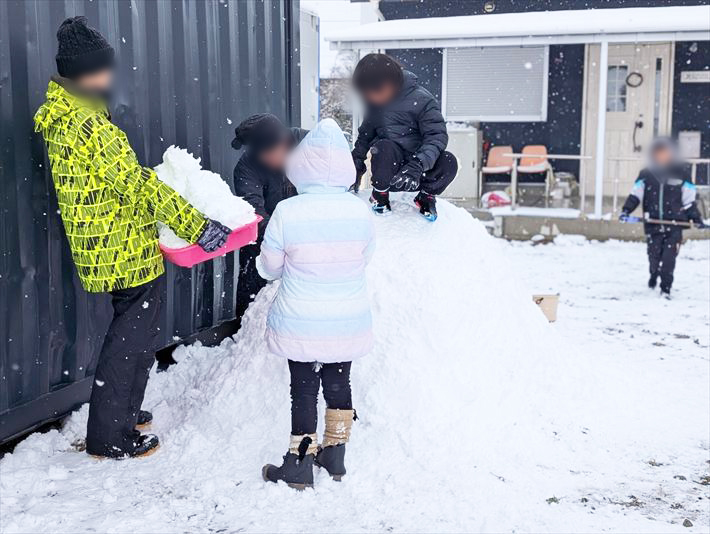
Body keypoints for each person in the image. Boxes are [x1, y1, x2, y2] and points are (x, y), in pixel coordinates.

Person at [33, 17, 230, 458]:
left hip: (107, 244)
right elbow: (137, 184)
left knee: (136, 333)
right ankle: (110, 434)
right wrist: (197, 225)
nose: (110, 74)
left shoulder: (68, 114)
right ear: (86, 70)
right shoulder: (87, 124)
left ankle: (121, 411)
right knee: (131, 341)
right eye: (104, 66)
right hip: (121, 249)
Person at [257, 119, 375, 489]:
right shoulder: (360, 210)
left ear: (302, 164)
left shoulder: (288, 211)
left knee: (304, 388)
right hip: (346, 317)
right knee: (339, 383)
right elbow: (365, 256)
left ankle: (299, 462)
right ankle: (335, 455)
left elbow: (268, 267)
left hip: (301, 318)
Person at [351, 53, 457, 221]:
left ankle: (426, 197)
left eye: (375, 91)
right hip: (389, 172)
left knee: (448, 161)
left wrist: (418, 164)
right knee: (383, 146)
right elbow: (366, 134)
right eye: (366, 94)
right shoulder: (375, 105)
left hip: (419, 173)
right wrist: (356, 161)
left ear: (391, 83)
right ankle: (380, 195)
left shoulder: (422, 100)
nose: (371, 97)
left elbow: (436, 136)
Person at [232, 114, 308, 322]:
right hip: (267, 236)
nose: (262, 160)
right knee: (252, 269)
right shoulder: (247, 167)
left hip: (310, 232)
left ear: (283, 143)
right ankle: (246, 330)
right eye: (256, 154)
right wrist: (282, 242)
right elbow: (255, 213)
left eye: (266, 154)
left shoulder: (309, 145)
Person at [620, 137, 705, 299]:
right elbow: (635, 195)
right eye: (659, 153)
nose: (662, 156)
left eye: (665, 153)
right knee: (654, 257)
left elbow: (689, 201)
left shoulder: (682, 174)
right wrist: (626, 210)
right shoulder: (646, 174)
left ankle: (666, 288)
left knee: (669, 259)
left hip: (675, 225)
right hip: (653, 223)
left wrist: (697, 219)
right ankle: (653, 274)